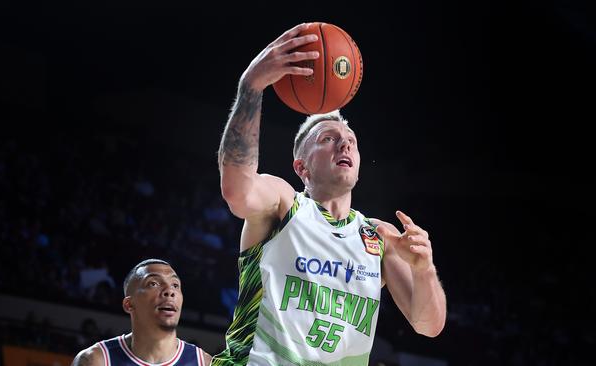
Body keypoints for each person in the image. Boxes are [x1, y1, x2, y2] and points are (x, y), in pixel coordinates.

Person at [213, 23, 446, 365]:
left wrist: (423, 268)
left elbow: (428, 325)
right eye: (327, 139)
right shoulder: (284, 204)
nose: (344, 142)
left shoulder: (378, 236)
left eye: (350, 140)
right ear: (301, 167)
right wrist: (251, 86)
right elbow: (236, 189)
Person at [72, 259, 212, 366]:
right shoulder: (96, 360)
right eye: (153, 283)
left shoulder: (204, 362)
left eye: (175, 285)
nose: (170, 291)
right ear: (129, 304)